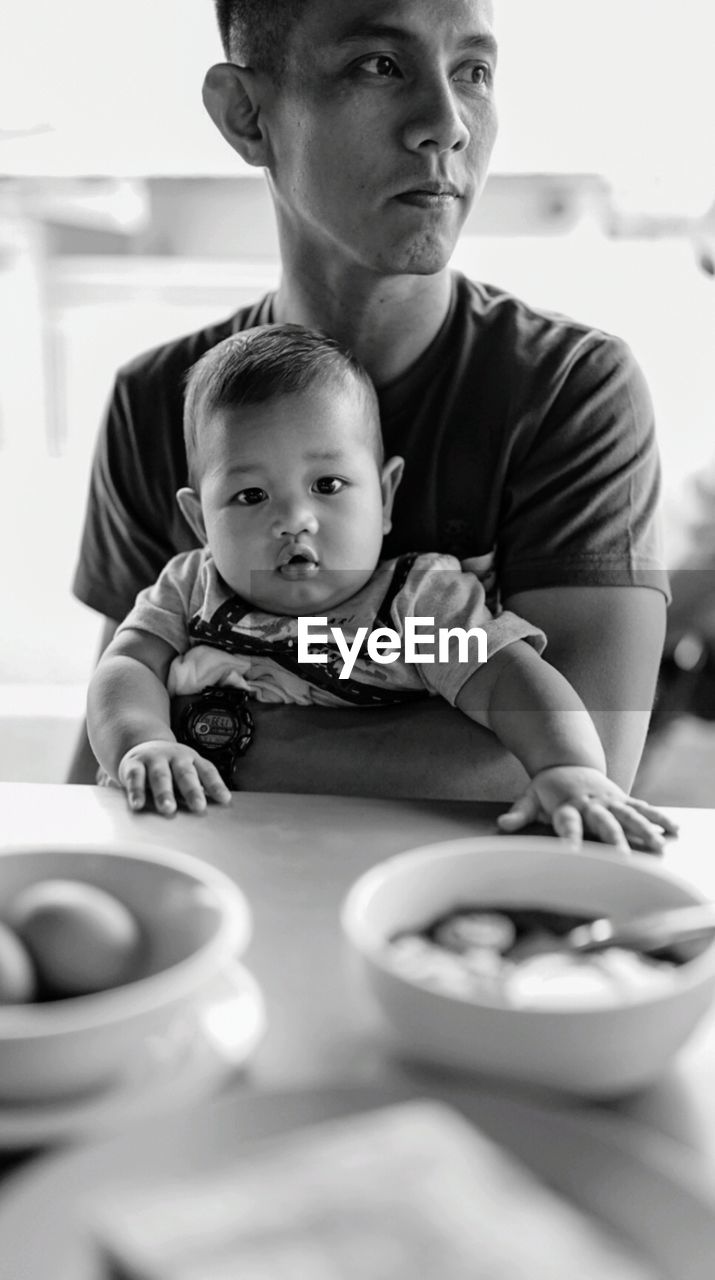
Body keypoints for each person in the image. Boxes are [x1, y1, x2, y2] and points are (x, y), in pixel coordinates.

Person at [70, 0, 669, 801]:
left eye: (473, 72)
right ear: (246, 115)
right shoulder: (159, 401)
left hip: (443, 906)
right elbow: (105, 748)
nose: (446, 124)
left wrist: (201, 733)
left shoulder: (568, 390)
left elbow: (579, 760)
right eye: (378, 65)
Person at [87, 325, 673, 852]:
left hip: (377, 851)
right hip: (211, 845)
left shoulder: (414, 605)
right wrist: (144, 743)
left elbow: (507, 682)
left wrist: (567, 768)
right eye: (250, 496)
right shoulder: (190, 587)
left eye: (328, 484)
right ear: (199, 524)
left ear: (386, 498)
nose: (295, 519)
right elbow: (125, 670)